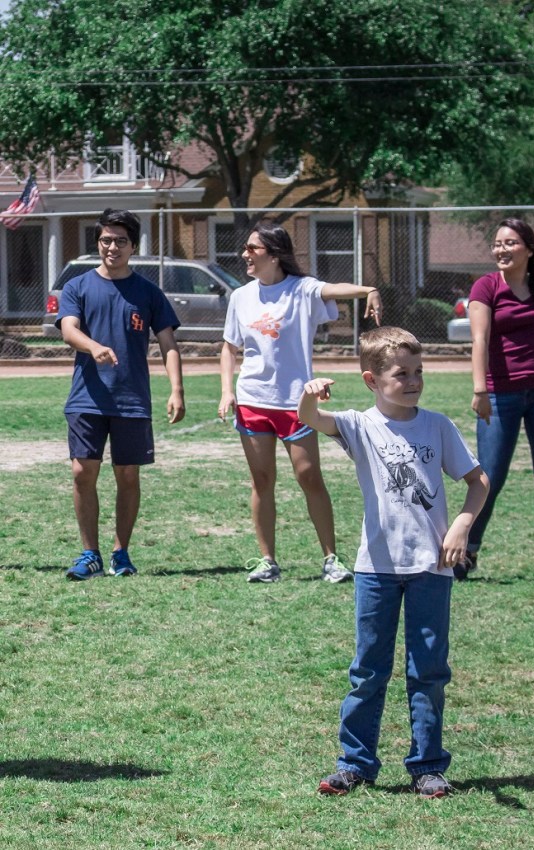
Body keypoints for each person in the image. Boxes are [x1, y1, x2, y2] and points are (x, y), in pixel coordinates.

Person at [298, 326, 489, 798]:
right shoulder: (360, 426)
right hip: (375, 569)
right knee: (368, 670)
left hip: (431, 568)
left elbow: (478, 481)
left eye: (418, 371)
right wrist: (309, 395)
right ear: (371, 379)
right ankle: (355, 763)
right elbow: (311, 419)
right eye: (401, 373)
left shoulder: (438, 426)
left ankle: (427, 766)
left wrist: (463, 525)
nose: (413, 381)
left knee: (427, 669)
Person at [218, 219, 383, 585]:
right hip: (253, 400)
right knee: (262, 480)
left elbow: (332, 288)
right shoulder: (240, 297)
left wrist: (368, 289)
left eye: (253, 249)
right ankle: (267, 560)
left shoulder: (302, 290)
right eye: (246, 248)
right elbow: (229, 347)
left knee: (309, 476)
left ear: (275, 255)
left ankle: (331, 559)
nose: (245, 254)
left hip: (297, 403)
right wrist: (228, 390)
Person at [58, 208, 186, 580]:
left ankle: (121, 553)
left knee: (127, 475)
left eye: (120, 241)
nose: (112, 247)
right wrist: (93, 347)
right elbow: (68, 330)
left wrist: (176, 389)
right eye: (105, 240)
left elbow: (168, 343)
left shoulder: (148, 292)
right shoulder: (77, 287)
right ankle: (89, 554)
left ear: (133, 246)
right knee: (83, 472)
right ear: (98, 242)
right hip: (87, 398)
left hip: (132, 399)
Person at [458, 217, 534, 582]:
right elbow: (479, 340)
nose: (501, 250)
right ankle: (467, 553)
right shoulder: (486, 287)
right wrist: (480, 390)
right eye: (497, 244)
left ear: (529, 249)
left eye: (509, 243)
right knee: (489, 477)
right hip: (498, 393)